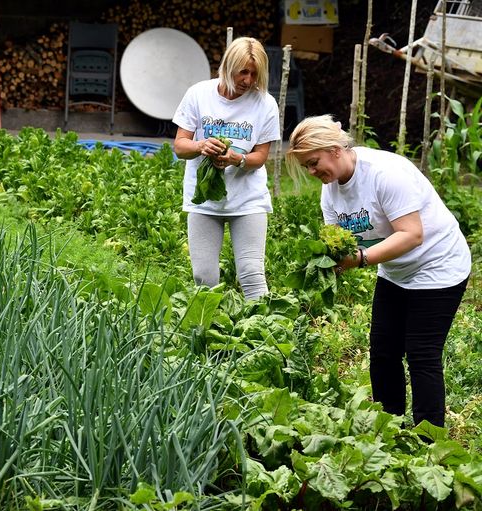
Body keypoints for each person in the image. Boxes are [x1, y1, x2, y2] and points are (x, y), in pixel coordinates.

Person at [285, 114, 471, 428]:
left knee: (421, 353)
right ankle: (391, 427)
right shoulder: (330, 191)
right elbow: (339, 243)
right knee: (383, 351)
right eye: (307, 167)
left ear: (335, 149)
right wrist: (321, 266)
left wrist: (361, 259)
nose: (312, 172)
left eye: (314, 162)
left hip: (438, 263)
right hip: (396, 270)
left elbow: (412, 234)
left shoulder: (385, 173)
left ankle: (430, 440)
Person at [172, 37, 280, 300]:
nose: (248, 80)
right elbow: (180, 146)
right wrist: (200, 146)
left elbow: (261, 157)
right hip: (205, 198)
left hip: (247, 200)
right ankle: (210, 335)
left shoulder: (265, 104)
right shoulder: (198, 94)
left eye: (255, 73)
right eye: (243, 71)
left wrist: (237, 159)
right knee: (204, 277)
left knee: (252, 274)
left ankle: (260, 335)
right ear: (228, 67)